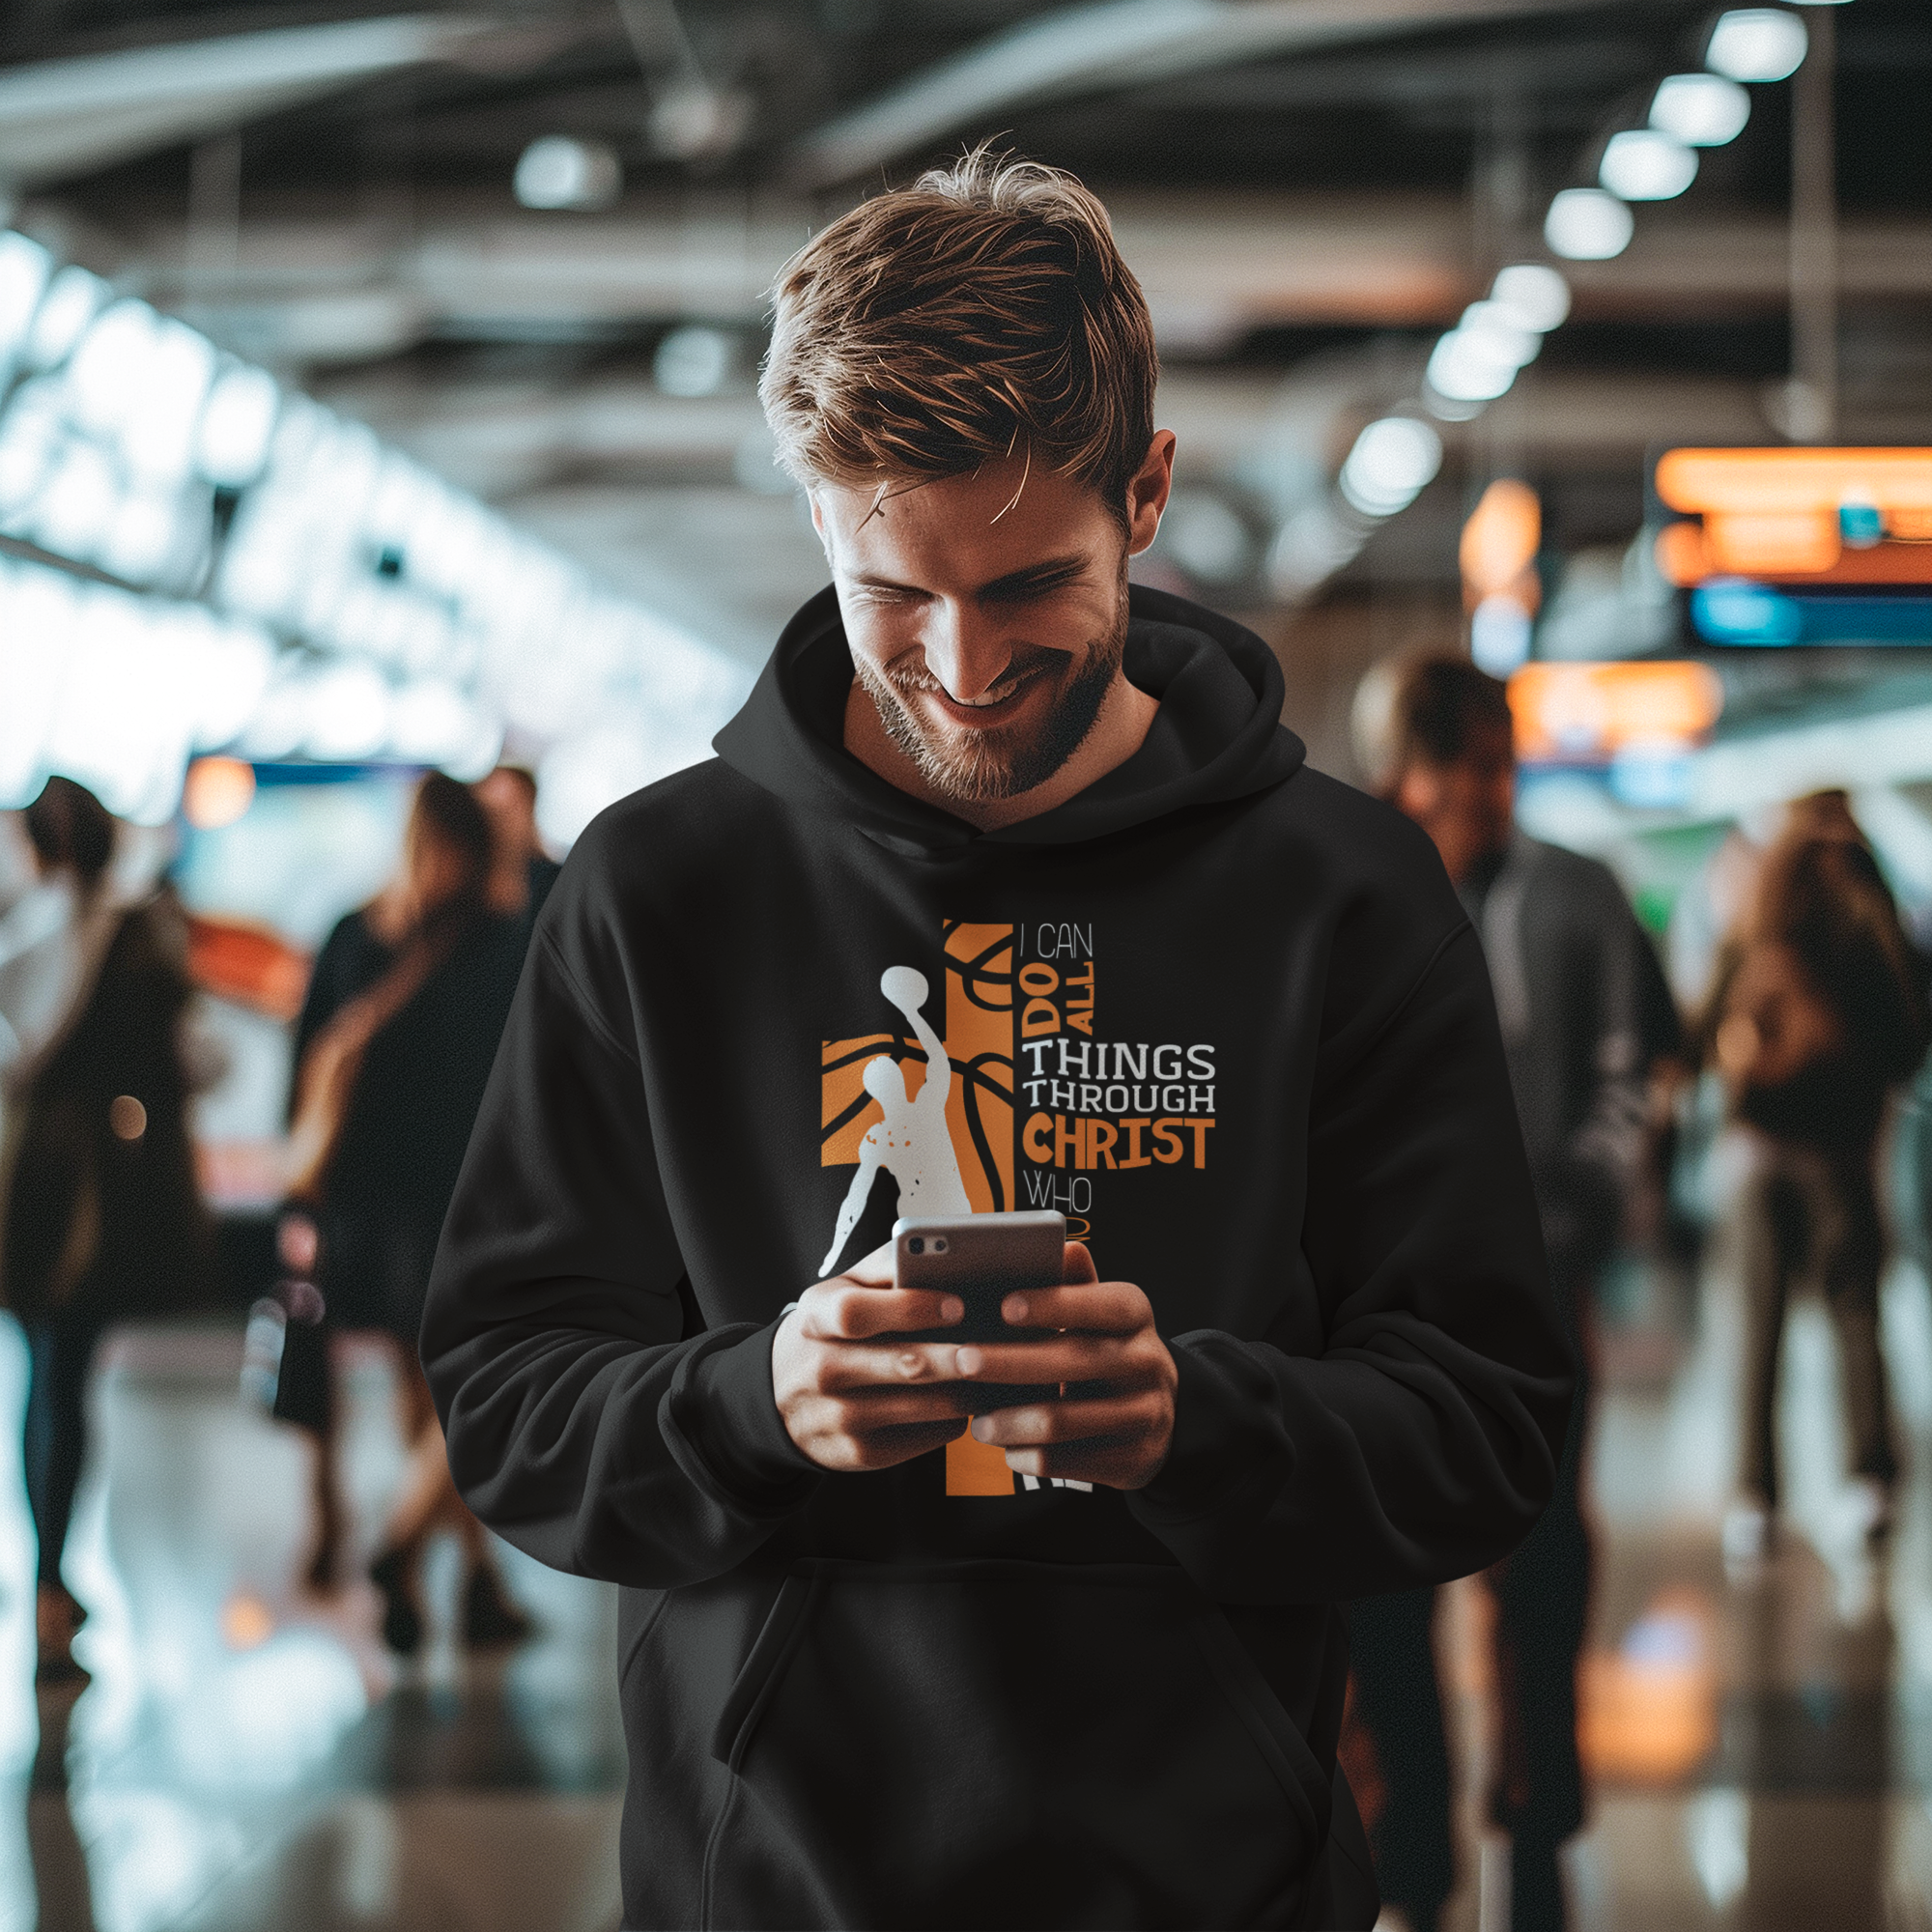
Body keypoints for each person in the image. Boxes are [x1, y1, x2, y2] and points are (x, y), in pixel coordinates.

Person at [421, 150, 1571, 1932]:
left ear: (1149, 494)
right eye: (898, 594)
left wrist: (1201, 1417)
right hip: (770, 1887)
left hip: (1216, 1884)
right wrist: (754, 1401)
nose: (961, 666)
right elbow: (506, 1400)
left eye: (1032, 582)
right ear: (818, 519)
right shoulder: (659, 892)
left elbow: (1488, 1426)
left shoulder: (1339, 894)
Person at [1345, 656, 1681, 1932]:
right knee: (1380, 1578)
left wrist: (1570, 1234)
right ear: (1397, 778)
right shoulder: (1350, 901)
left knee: (1539, 1565)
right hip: (1377, 1309)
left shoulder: (1578, 896)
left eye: (1495, 767)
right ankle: (1407, 1850)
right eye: (1453, 772)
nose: (1480, 796)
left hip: (1532, 1295)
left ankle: (1536, 1825)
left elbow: (1628, 1075)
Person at [285, 774, 531, 1651]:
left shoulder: (354, 935)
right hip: (462, 1207)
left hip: (364, 1205)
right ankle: (405, 1550)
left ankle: (461, 1581)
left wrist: (298, 1198)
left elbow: (305, 1062)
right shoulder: (502, 941)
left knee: (424, 1395)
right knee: (475, 1402)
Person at [0, 778, 211, 1679]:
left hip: (33, 1182)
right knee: (63, 1376)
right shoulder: (137, 930)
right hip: (103, 1189)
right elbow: (197, 1054)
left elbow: (22, 1048)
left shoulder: (38, 930)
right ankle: (51, 1580)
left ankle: (48, 1578)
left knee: (46, 1374)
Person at [1703, 793, 1929, 1557]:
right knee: (1855, 1315)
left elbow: (1706, 1021)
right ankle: (1870, 1481)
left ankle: (1755, 1500)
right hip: (1842, 1156)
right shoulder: (1867, 907)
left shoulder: (1763, 905)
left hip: (1759, 1155)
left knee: (1755, 1326)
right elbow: (1908, 1036)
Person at [473, 764, 560, 930]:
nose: (499, 825)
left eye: (508, 812)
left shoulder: (556, 882)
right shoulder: (465, 887)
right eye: (492, 813)